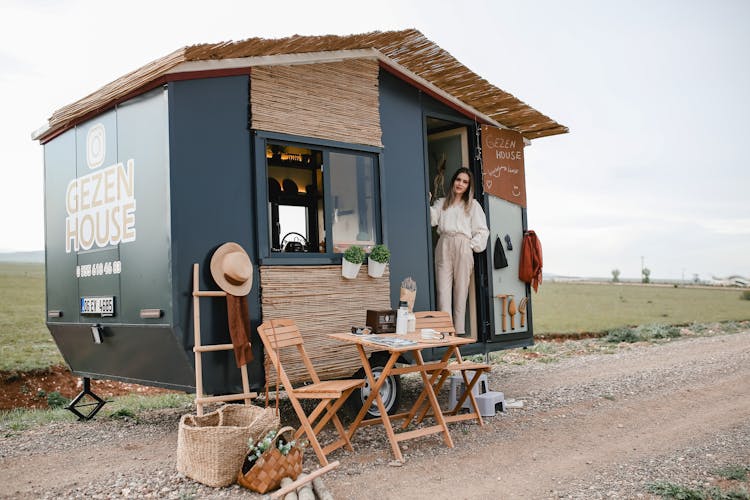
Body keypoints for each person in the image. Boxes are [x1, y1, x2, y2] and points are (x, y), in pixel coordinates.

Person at [430, 167, 489, 335]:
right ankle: (446, 330)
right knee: (443, 289)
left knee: (461, 290)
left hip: (463, 244)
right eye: (458, 180)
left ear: (468, 186)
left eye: (465, 182)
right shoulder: (442, 203)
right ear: (453, 181)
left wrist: (471, 245)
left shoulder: (472, 205)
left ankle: (458, 330)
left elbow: (482, 230)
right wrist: (424, 201)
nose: (460, 184)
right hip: (444, 243)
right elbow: (432, 220)